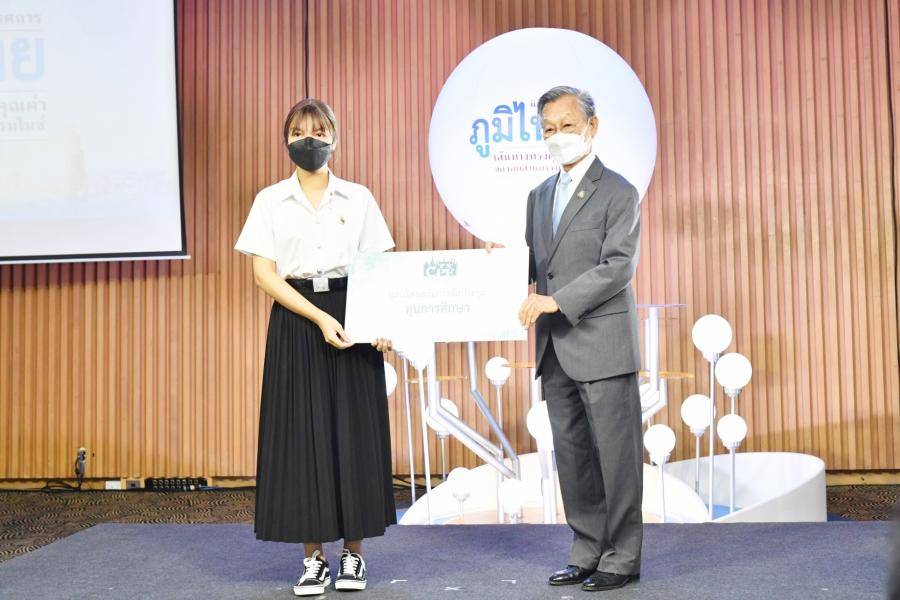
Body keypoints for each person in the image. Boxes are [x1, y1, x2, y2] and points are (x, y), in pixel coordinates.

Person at [234, 98, 396, 596]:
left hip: (355, 312)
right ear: (286, 141)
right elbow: (264, 274)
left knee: (354, 434)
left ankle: (353, 556)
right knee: (302, 437)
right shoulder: (269, 200)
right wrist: (320, 317)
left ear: (335, 138)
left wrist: (380, 323)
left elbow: (380, 266)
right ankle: (313, 560)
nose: (310, 140)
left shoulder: (358, 197)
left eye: (320, 131)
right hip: (296, 317)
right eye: (299, 132)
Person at [496, 85, 644, 592]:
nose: (557, 136)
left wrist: (556, 301)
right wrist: (498, 264)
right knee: (574, 458)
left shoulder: (619, 191)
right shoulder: (539, 195)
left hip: (602, 344)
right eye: (548, 129)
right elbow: (537, 265)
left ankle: (622, 558)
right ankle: (586, 551)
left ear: (591, 127)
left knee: (616, 459)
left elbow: (618, 266)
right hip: (554, 349)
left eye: (567, 126)